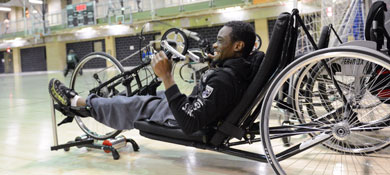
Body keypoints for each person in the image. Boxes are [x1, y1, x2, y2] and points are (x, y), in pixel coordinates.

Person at [49, 21, 256, 134]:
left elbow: (190, 123)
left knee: (135, 103)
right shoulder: (238, 70)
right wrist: (216, 64)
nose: (215, 45)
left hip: (185, 118)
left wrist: (167, 76)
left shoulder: (223, 80)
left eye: (220, 41)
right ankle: (102, 103)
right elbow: (213, 96)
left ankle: (77, 102)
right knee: (146, 96)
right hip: (194, 107)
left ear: (238, 46)